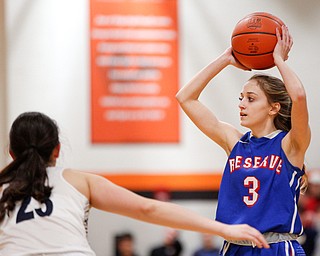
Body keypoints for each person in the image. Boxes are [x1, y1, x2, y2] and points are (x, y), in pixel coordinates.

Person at [0, 112, 269, 255]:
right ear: (57, 150)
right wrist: (223, 229)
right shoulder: (78, 181)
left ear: (11, 152)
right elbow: (148, 209)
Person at [176, 25, 310, 256]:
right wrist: (226, 58)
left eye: (250, 99)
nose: (241, 104)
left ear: (273, 108)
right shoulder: (234, 141)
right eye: (241, 98)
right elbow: (185, 98)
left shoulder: (290, 145)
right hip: (234, 247)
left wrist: (278, 60)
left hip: (276, 247)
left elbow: (298, 96)